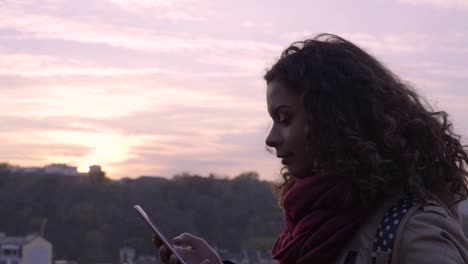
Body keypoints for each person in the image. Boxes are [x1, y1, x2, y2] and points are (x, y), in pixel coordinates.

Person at [153, 33, 468, 264]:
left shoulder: (411, 229)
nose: (271, 139)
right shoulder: (313, 220)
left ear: (335, 118)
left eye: (285, 118)